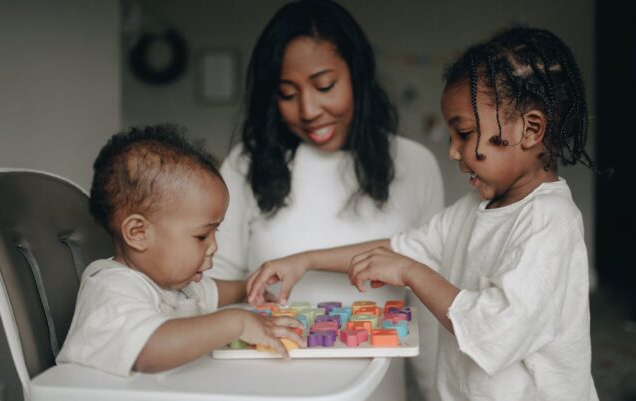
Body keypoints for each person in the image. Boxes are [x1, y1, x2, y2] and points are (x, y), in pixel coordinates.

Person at [247, 27, 600, 401]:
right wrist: (304, 261)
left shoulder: (550, 221)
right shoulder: (472, 209)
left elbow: (495, 331)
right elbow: (399, 250)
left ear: (530, 129)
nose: (452, 151)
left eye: (463, 133)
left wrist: (411, 274)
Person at [207, 1, 444, 399]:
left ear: (358, 75)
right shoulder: (245, 165)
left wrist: (435, 394)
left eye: (324, 86)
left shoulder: (415, 165)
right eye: (287, 93)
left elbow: (430, 301)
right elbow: (215, 290)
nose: (309, 110)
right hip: (264, 389)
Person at [56, 125, 304, 377]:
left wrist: (249, 289)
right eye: (202, 235)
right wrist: (236, 322)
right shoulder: (111, 290)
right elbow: (150, 351)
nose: (214, 246)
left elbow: (215, 292)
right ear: (138, 233)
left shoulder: (176, 284)